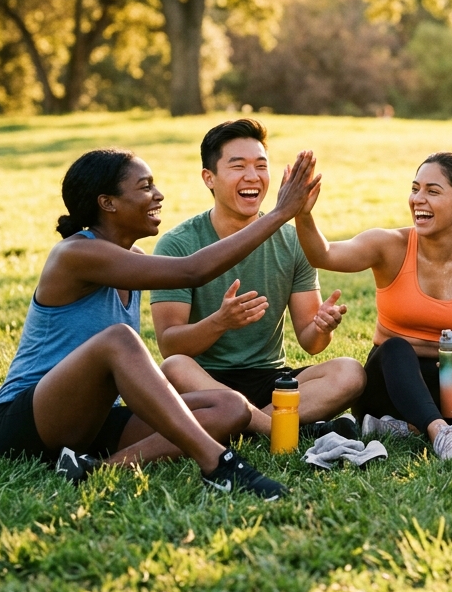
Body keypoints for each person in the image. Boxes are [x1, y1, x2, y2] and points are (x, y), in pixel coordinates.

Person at [0, 148, 321, 499]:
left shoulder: (132, 261)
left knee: (230, 407)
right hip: (26, 424)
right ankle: (218, 464)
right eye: (145, 187)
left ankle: (97, 468)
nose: (158, 195)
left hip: (95, 423)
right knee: (118, 339)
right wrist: (282, 213)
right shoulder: (75, 254)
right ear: (108, 203)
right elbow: (192, 271)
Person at [294, 151, 452, 460]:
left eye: (432, 191)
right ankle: (441, 433)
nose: (417, 199)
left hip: (447, 382)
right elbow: (325, 255)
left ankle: (408, 427)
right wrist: (303, 214)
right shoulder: (389, 245)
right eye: (415, 189)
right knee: (396, 347)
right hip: (387, 381)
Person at [152, 120, 365, 438]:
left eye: (260, 166)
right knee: (175, 368)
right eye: (238, 166)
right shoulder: (177, 244)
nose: (252, 176)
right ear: (209, 178)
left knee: (350, 372)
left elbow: (311, 344)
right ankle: (278, 429)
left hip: (270, 382)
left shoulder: (292, 241)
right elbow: (170, 346)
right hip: (204, 382)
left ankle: (243, 426)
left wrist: (321, 327)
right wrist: (220, 322)